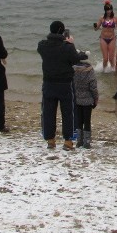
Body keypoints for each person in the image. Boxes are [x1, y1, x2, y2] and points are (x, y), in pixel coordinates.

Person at [37, 20, 81, 150]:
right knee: (68, 112)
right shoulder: (67, 47)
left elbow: (41, 46)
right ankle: (68, 141)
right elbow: (75, 59)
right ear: (62, 31)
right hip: (65, 84)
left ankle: (50, 140)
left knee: (48, 112)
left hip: (48, 83)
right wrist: (70, 43)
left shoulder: (43, 45)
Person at [73, 53, 98, 148]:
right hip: (88, 100)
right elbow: (93, 87)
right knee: (87, 121)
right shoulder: (90, 70)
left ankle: (79, 141)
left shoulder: (73, 70)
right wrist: (96, 98)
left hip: (77, 99)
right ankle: (87, 142)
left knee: (79, 120)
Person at [93, 0, 117, 73]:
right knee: (105, 59)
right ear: (105, 10)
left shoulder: (115, 18)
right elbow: (96, 29)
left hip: (112, 38)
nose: (109, 11)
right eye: (107, 10)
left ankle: (114, 71)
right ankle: (104, 72)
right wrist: (95, 26)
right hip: (103, 38)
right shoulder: (102, 18)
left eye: (110, 9)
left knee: (111, 58)